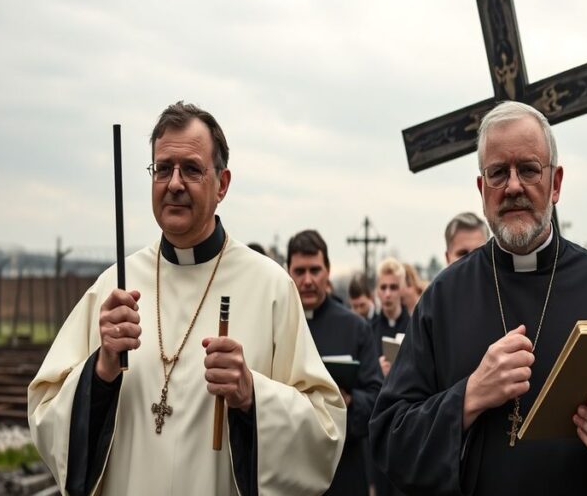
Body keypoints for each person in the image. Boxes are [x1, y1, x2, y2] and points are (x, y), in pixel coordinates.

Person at [369, 101, 587, 495]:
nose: (513, 187)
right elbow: (390, 437)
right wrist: (468, 397)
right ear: (482, 190)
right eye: (497, 173)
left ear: (555, 184)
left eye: (528, 169)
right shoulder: (443, 297)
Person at [28, 102, 345, 496]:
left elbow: (325, 431)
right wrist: (102, 371)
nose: (174, 183)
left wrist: (252, 395)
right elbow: (45, 414)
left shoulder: (272, 289)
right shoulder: (114, 287)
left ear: (222, 184)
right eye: (163, 169)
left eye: (192, 169)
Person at [287, 229, 383, 496]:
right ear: (288, 272)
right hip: (290, 467)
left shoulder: (355, 327)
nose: (308, 280)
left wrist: (347, 400)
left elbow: (377, 399)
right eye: (300, 271)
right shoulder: (276, 324)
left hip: (344, 468)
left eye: (315, 270)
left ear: (327, 271)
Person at [369, 257, 410, 378]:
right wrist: (377, 370)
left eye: (393, 287)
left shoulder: (414, 328)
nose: (387, 294)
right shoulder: (368, 329)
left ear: (402, 289)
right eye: (383, 287)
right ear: (377, 291)